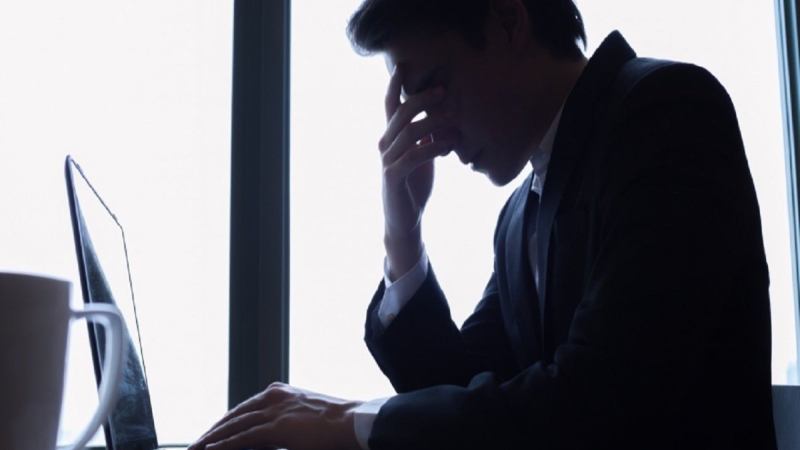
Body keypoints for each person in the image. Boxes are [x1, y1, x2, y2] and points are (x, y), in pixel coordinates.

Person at [189, 0, 777, 449]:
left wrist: (347, 420)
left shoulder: (666, 112)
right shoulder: (519, 217)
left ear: (508, 22)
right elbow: (465, 391)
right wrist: (403, 232)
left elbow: (598, 401)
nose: (432, 131)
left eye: (432, 87)